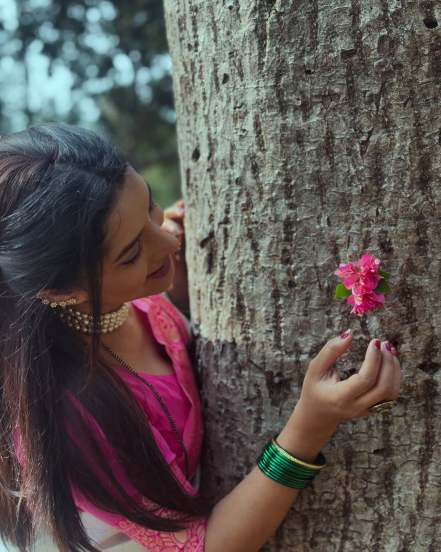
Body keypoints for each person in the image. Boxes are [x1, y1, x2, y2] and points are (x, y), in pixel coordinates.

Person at [0, 123, 401, 552]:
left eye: (150, 209)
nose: (168, 240)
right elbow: (205, 547)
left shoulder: (131, 306)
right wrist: (310, 427)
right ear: (61, 291)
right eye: (133, 251)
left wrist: (177, 288)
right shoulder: (66, 421)